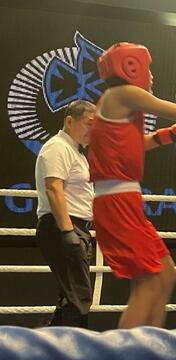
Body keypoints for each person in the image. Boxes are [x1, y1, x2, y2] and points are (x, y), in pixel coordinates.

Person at [89, 42, 176, 328]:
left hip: (122, 201)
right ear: (131, 67)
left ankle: (153, 345)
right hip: (117, 202)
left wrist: (169, 136)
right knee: (147, 283)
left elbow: (135, 145)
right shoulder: (125, 93)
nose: (151, 75)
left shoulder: (115, 101)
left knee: (166, 274)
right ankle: (128, 352)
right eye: (148, 68)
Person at [34, 100, 96, 328]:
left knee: (71, 296)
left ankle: (48, 341)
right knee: (78, 297)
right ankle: (72, 346)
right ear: (70, 121)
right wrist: (68, 231)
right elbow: (53, 187)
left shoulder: (76, 152)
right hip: (62, 226)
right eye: (89, 124)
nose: (93, 131)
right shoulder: (58, 147)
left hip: (72, 227)